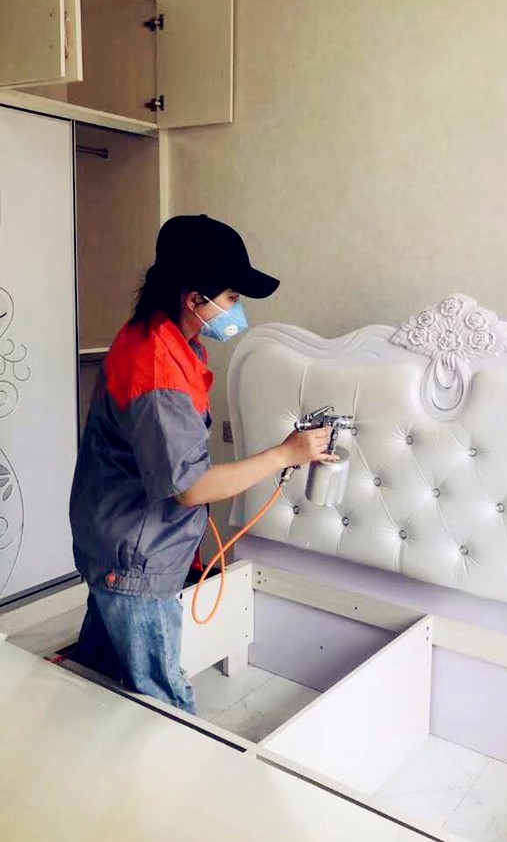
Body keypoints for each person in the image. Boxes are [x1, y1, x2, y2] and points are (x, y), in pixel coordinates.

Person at [69, 214, 333, 714]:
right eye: (231, 298)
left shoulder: (166, 339)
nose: (237, 311)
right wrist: (285, 454)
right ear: (194, 299)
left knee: (94, 679)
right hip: (134, 559)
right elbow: (190, 487)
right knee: (165, 706)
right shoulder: (157, 369)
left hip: (116, 540)